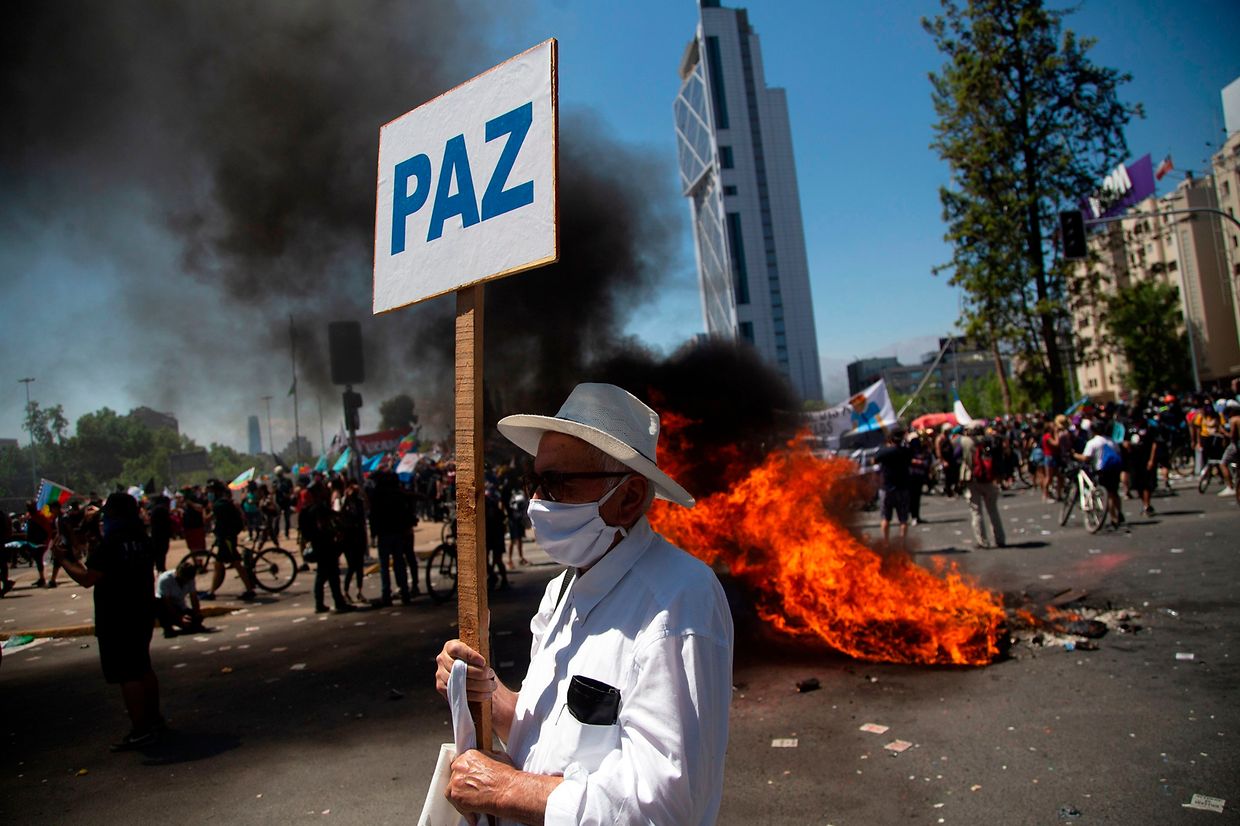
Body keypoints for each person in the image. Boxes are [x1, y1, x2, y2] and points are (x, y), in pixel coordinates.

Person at [434, 383, 732, 825]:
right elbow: (547, 736)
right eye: (534, 481)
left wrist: (506, 788)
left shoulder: (678, 600)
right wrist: (489, 695)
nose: (537, 501)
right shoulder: (560, 592)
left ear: (629, 497)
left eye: (557, 483)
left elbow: (667, 803)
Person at [53, 493, 163, 751]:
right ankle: (154, 720)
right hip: (142, 611)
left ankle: (141, 729)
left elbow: (88, 577)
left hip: (117, 615)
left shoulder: (112, 544)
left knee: (128, 674)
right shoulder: (141, 539)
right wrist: (91, 527)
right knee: (143, 666)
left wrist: (64, 559)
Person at [300, 482, 353, 614]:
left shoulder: (312, 509)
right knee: (332, 575)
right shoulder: (318, 509)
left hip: (320, 545)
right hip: (325, 546)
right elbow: (331, 519)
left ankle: (320, 603)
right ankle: (338, 603)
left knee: (322, 576)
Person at [368, 470, 419, 606]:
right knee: (399, 563)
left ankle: (387, 595)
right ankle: (405, 592)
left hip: (385, 534)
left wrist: (373, 534)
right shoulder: (397, 494)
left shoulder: (377, 495)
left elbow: (373, 516)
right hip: (397, 532)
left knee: (385, 566)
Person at [203, 482, 256, 601]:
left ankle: (212, 592)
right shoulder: (223, 503)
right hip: (228, 538)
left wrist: (204, 508)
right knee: (229, 564)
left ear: (215, 492)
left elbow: (208, 519)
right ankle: (248, 589)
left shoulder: (219, 505)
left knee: (229, 564)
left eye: (210, 492)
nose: (208, 494)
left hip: (226, 539)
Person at [960, 423, 1005, 549]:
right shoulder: (990, 441)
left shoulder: (966, 442)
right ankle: (1000, 538)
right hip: (989, 478)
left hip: (972, 478)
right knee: (993, 510)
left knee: (976, 511)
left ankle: (982, 541)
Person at [1076, 417, 1125, 529]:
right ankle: (1119, 512)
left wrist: (1074, 455)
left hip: (1102, 470)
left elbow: (1086, 458)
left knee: (1108, 494)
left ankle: (1113, 518)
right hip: (1115, 468)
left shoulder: (1093, 442)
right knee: (1114, 492)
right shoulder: (1111, 441)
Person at [874, 427, 912, 547]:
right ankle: (902, 543)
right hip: (903, 488)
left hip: (887, 488)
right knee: (903, 519)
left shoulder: (884, 451)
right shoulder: (906, 451)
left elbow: (874, 460)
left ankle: (885, 542)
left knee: (885, 518)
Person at [155, 560, 206, 637]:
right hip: (166, 607)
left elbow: (194, 598)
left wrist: (197, 613)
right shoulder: (165, 580)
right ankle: (167, 628)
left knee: (194, 620)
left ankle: (187, 624)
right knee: (159, 604)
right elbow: (167, 602)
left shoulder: (190, 579)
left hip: (180, 606)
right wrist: (179, 618)